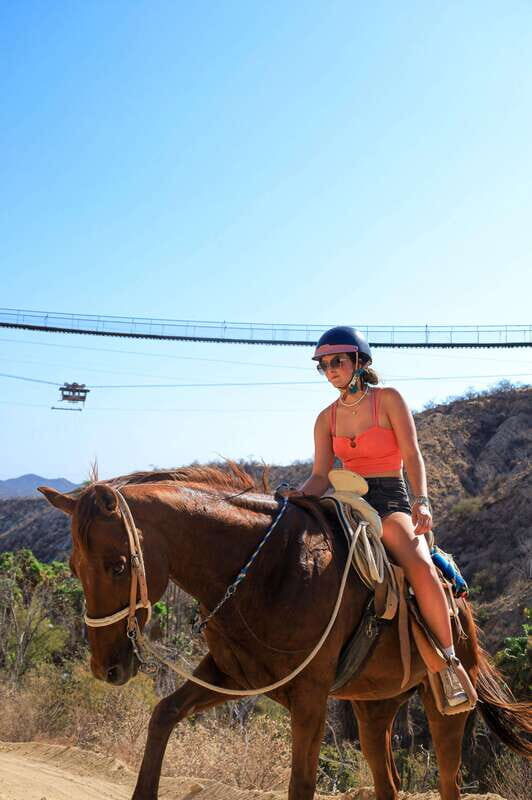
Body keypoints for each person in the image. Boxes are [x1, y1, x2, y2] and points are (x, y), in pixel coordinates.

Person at [297, 325, 469, 708]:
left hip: (390, 499)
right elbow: (320, 475)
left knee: (420, 565)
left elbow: (412, 454)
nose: (330, 370)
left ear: (359, 360)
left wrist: (421, 501)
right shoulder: (325, 418)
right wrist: (293, 498)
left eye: (336, 361)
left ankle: (448, 663)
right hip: (345, 499)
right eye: (323, 365)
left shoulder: (388, 399)